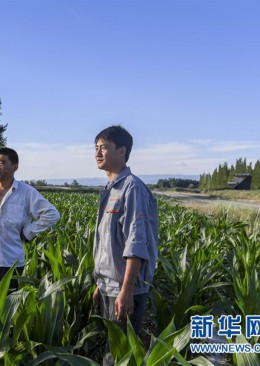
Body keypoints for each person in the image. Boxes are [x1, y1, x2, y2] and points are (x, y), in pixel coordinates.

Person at [91, 125, 158, 365]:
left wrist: (127, 291)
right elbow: (109, 246)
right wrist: (101, 282)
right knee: (111, 351)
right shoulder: (111, 189)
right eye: (96, 148)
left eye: (104, 148)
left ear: (122, 151)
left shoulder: (133, 188)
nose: (98, 153)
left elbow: (136, 242)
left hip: (124, 290)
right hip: (110, 286)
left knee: (117, 357)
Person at [0, 147, 60, 291]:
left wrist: (28, 232)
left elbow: (52, 214)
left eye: (2, 163)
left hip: (12, 264)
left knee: (8, 308)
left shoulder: (27, 192)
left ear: (15, 167)